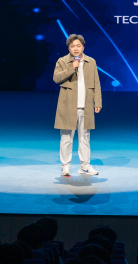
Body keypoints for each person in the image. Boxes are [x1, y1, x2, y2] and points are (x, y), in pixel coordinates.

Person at [53, 34, 102, 176]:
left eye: (78, 46)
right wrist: (71, 68)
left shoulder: (91, 61)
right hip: (68, 105)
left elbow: (96, 83)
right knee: (66, 138)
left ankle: (85, 166)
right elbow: (56, 78)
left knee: (85, 138)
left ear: (83, 47)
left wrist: (98, 101)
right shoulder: (62, 61)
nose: (75, 48)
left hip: (86, 106)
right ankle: (65, 166)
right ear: (69, 48)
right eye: (72, 46)